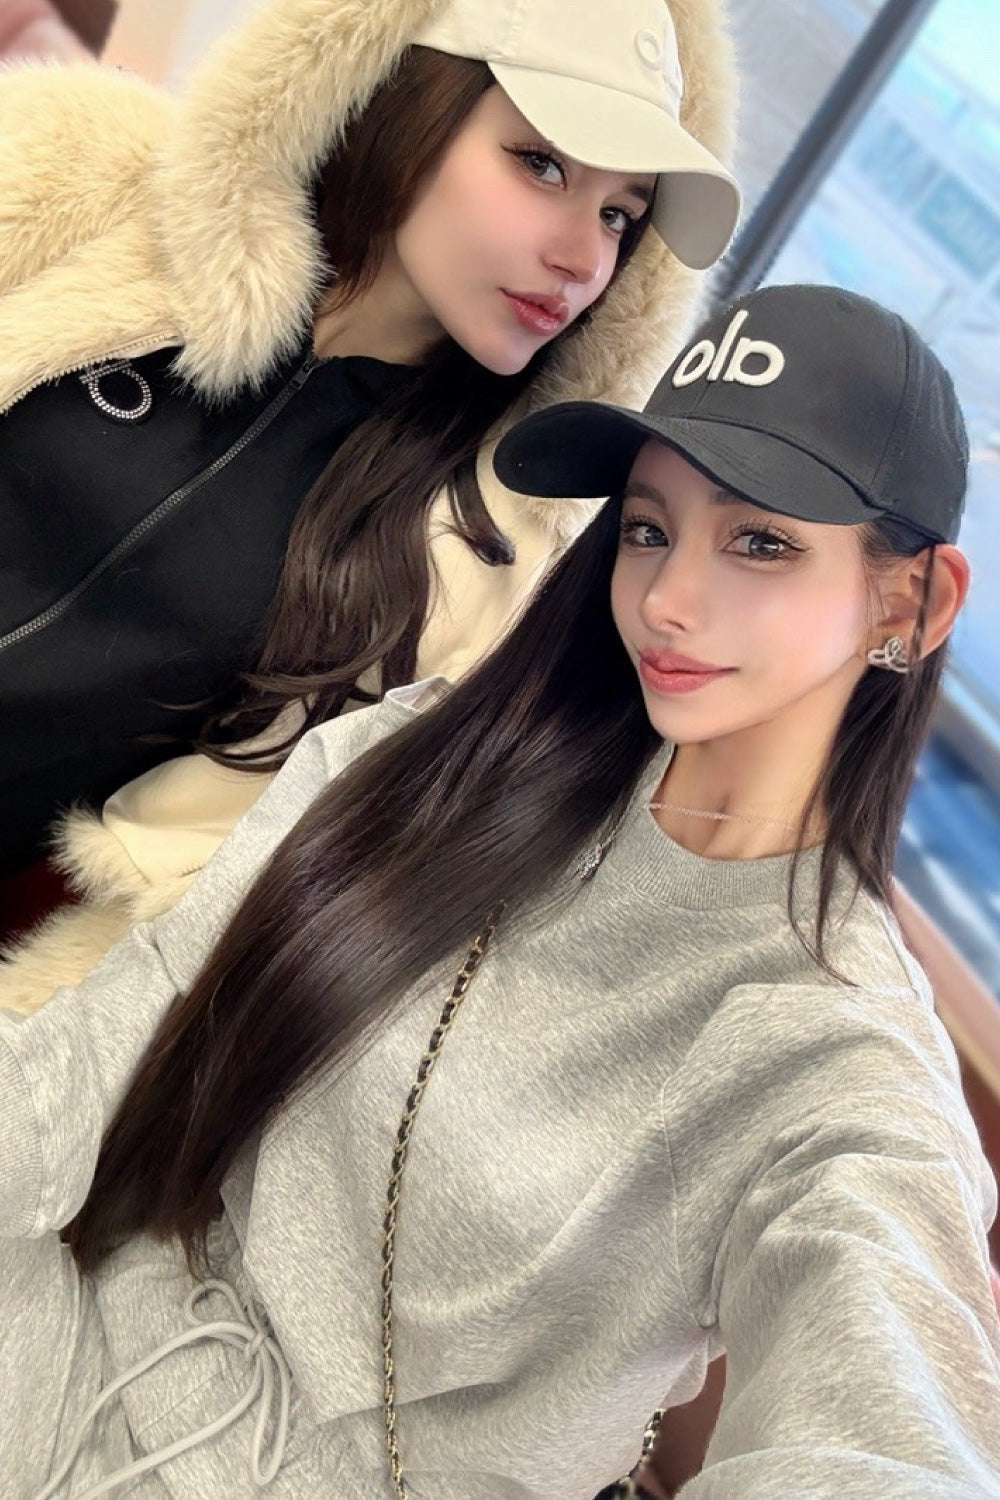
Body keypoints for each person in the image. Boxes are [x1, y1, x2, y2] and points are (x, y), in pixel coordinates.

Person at [3, 283, 999, 1500]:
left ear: (910, 601)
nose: (668, 600)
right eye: (648, 529)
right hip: (59, 1339)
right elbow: (108, 1045)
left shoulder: (833, 1051)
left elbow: (885, 1409)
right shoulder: (421, 756)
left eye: (759, 543)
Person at [0, 0, 738, 927]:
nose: (584, 257)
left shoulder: (461, 552)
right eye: (542, 163)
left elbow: (194, 877)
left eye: (621, 216)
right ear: (408, 101)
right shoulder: (84, 171)